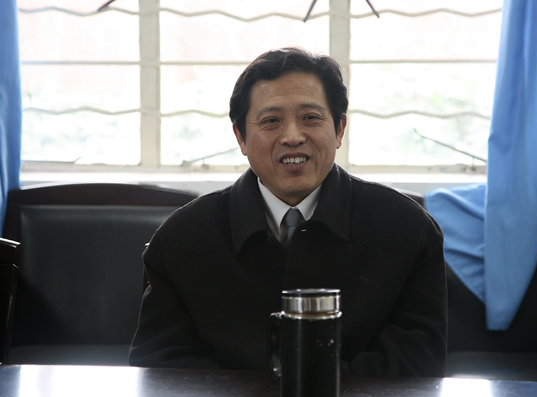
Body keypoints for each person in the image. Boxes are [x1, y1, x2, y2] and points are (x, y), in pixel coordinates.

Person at [129, 47, 447, 376]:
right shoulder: (182, 239)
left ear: (339, 129)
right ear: (241, 137)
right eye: (271, 121)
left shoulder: (407, 229)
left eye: (310, 118)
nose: (292, 137)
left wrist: (312, 393)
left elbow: (417, 364)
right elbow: (160, 366)